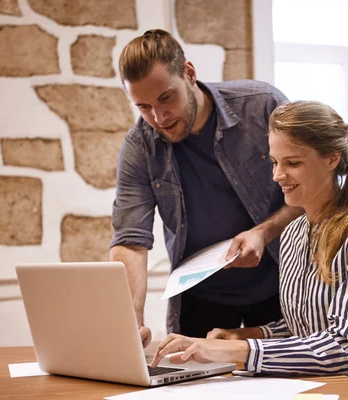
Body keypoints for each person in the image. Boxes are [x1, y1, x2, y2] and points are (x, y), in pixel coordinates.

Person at [153, 101, 348, 400]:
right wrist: (248, 334)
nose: (277, 175)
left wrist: (237, 350)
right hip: (313, 390)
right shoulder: (293, 232)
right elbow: (305, 324)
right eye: (274, 162)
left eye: (292, 163)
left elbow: (347, 346)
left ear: (332, 159)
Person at [110, 29, 303, 345]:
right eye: (143, 107)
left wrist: (263, 232)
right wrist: (130, 318)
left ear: (188, 73)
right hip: (199, 297)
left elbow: (314, 190)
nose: (158, 117)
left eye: (166, 98)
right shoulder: (139, 146)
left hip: (282, 283)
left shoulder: (262, 106)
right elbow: (130, 240)